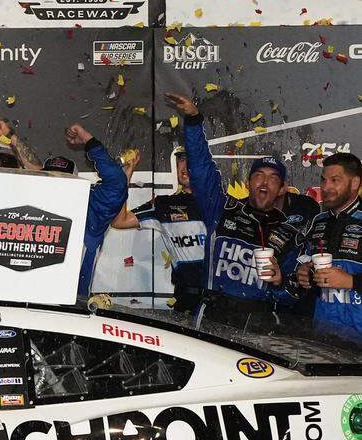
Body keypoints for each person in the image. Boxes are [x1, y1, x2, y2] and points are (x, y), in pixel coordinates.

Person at [166, 93, 302, 330]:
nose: (264, 182)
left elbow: (295, 295)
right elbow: (202, 170)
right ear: (248, 183)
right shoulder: (223, 209)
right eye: (258, 175)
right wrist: (194, 121)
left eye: (272, 179)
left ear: (281, 190)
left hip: (258, 325)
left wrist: (280, 282)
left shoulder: (290, 233)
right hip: (210, 316)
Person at [37, 124, 128, 298]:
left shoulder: (91, 210)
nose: (56, 186)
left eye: (64, 180)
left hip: (72, 309)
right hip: (29, 300)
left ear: (78, 185)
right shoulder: (34, 208)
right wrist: (11, 138)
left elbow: (117, 182)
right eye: (49, 180)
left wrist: (87, 139)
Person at [111, 149, 207, 313]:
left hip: (221, 299)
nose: (185, 165)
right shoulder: (163, 204)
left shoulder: (219, 203)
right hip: (186, 298)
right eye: (182, 160)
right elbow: (119, 221)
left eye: (192, 159)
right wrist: (125, 175)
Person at [284, 153, 362, 343]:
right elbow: (297, 266)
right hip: (323, 335)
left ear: (354, 183)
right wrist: (303, 274)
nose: (325, 187)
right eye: (323, 180)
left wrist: (352, 281)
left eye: (335, 180)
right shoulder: (317, 222)